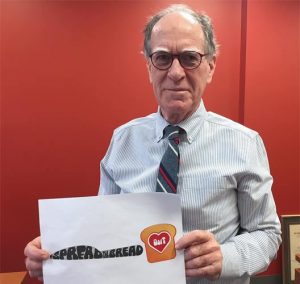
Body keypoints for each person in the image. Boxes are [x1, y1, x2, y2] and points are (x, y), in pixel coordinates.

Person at [24, 4, 281, 284]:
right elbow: (102, 232)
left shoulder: (244, 143)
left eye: (189, 58)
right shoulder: (123, 140)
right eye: (162, 58)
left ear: (210, 66)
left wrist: (225, 256)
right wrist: (55, 253)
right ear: (149, 66)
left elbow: (267, 234)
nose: (175, 72)